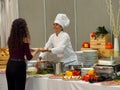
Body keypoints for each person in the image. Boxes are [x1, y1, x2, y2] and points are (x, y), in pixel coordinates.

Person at [6, 18, 40, 90]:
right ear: (24, 28)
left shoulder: (10, 39)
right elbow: (29, 57)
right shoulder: (25, 39)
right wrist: (37, 51)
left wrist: (28, 48)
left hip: (10, 65)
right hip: (19, 67)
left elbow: (16, 51)